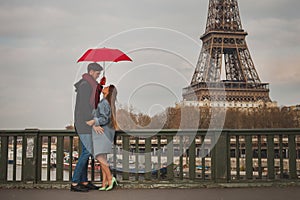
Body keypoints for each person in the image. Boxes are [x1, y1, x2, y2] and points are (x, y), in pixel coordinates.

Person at [71, 62, 104, 192]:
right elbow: (84, 107)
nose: (98, 75)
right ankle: (74, 183)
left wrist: (100, 86)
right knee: (87, 152)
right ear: (91, 72)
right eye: (97, 73)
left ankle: (83, 181)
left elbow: (92, 102)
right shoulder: (85, 86)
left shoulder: (88, 84)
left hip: (84, 123)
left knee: (87, 152)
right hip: (84, 123)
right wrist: (92, 122)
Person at [86, 85, 118, 191]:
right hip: (107, 133)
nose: (105, 87)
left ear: (108, 92)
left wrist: (94, 121)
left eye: (107, 87)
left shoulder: (104, 102)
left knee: (99, 157)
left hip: (102, 133)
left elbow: (104, 119)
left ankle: (110, 178)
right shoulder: (108, 103)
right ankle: (105, 184)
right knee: (102, 158)